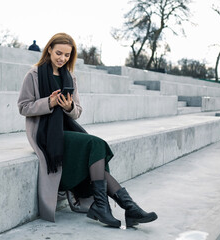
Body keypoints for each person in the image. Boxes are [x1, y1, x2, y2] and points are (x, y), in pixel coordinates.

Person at [17, 33, 157, 228]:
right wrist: (49, 102)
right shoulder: (33, 75)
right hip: (45, 133)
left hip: (67, 131)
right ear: (49, 49)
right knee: (95, 144)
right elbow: (23, 107)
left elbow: (77, 112)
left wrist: (68, 107)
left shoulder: (70, 77)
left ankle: (126, 207)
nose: (62, 58)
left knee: (95, 148)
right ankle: (117, 207)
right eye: (58, 53)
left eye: (67, 55)